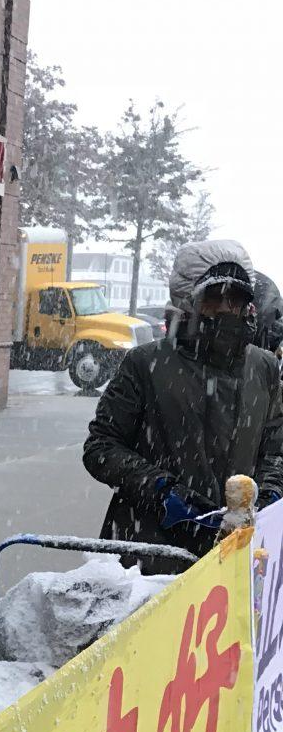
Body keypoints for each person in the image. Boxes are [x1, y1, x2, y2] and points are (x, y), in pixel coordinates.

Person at [83, 239, 283, 573]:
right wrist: (161, 492)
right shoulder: (146, 363)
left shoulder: (262, 368)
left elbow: (275, 449)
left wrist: (265, 498)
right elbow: (100, 446)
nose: (224, 308)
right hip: (149, 553)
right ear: (188, 299)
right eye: (213, 297)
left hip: (236, 554)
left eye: (235, 298)